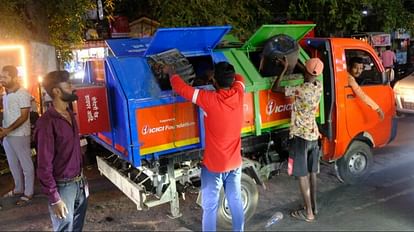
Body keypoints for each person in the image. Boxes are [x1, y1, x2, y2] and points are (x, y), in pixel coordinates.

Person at [163, 62, 245, 231]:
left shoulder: (209, 99)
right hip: (235, 162)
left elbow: (181, 88)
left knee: (210, 207)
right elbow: (240, 78)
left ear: (214, 80)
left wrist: (171, 71)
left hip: (214, 165)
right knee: (235, 200)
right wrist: (219, 77)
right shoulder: (239, 93)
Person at [272, 57, 324, 222]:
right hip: (313, 136)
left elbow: (276, 88)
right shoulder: (319, 87)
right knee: (312, 173)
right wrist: (297, 66)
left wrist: (284, 69)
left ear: (306, 72)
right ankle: (314, 206)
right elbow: (309, 73)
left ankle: (308, 213)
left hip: (300, 137)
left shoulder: (300, 89)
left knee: (302, 175)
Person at [35, 70, 88, 231]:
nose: (72, 87)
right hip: (63, 188)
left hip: (79, 183)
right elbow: (43, 166)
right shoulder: (46, 123)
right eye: (68, 85)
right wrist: (55, 199)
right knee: (65, 228)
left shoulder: (70, 114)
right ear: (57, 91)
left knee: (77, 227)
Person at [0, 65, 34, 206]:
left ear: (14, 77)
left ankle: (29, 192)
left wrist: (7, 130)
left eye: (5, 77)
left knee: (26, 165)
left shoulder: (23, 93)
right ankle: (19, 189)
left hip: (20, 135)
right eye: (1, 77)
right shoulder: (5, 94)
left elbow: (24, 116)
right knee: (13, 164)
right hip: (7, 135)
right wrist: (4, 130)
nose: (2, 79)